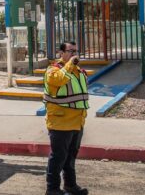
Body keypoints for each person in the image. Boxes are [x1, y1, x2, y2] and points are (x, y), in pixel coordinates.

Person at [43, 41, 89, 195]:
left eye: (76, 51)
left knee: (70, 158)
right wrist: (70, 64)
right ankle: (52, 189)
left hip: (77, 122)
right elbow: (58, 80)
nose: (74, 54)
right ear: (60, 53)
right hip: (60, 123)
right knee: (58, 158)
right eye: (70, 51)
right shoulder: (53, 70)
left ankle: (70, 185)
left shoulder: (79, 71)